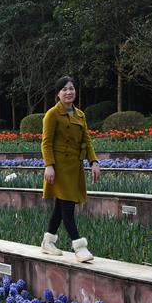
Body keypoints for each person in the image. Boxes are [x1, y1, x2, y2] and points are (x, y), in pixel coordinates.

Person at [40, 76, 101, 262]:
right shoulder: (52, 114)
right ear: (58, 94)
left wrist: (94, 162)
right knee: (67, 208)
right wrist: (49, 165)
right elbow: (46, 142)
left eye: (71, 89)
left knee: (61, 206)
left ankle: (47, 242)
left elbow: (87, 141)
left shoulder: (80, 115)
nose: (68, 92)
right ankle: (79, 246)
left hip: (74, 167)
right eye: (64, 89)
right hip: (58, 168)